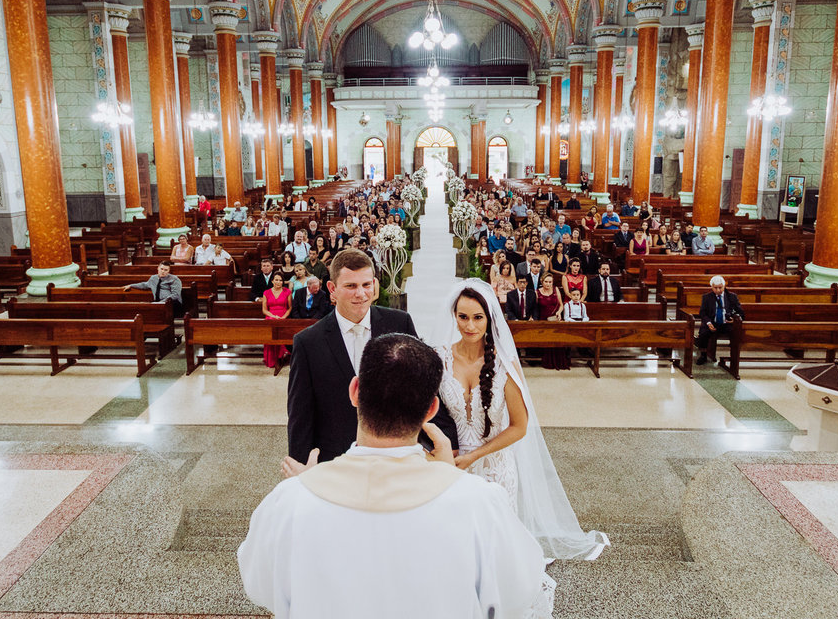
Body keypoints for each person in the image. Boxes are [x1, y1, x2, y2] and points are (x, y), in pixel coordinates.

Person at [239, 332, 547, 619]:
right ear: (431, 409)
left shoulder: (292, 501)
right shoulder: (478, 502)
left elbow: (259, 584)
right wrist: (447, 478)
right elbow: (520, 590)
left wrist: (307, 486)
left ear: (355, 391)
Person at [429, 280, 608, 562]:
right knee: (456, 545)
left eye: (478, 317)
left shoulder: (504, 364)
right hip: (449, 463)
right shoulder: (438, 358)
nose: (470, 326)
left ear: (489, 318)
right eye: (463, 317)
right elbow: (426, 413)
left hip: (495, 466)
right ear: (454, 316)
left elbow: (519, 427)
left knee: (493, 547)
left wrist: (474, 456)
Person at [285, 249, 459, 466]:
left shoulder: (399, 323)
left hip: (395, 455)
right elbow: (300, 414)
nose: (361, 293)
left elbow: (422, 386)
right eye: (351, 286)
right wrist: (299, 467)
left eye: (366, 285)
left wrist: (448, 439)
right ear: (332, 289)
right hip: (336, 460)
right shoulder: (308, 342)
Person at [696, 275, 744, 365]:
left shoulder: (732, 297)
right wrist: (708, 322)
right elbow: (702, 313)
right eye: (715, 288)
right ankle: (703, 355)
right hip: (712, 322)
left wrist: (734, 320)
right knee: (703, 333)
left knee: (736, 333)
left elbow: (741, 312)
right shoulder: (707, 297)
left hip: (727, 323)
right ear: (711, 287)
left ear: (724, 286)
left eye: (720, 287)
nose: (718, 290)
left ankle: (734, 356)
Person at [262, 273, 293, 368]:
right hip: (271, 316)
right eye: (276, 280)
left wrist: (284, 317)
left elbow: (290, 308)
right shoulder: (266, 292)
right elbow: (264, 310)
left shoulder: (287, 292)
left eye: (280, 280)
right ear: (272, 281)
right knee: (271, 324)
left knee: (281, 326)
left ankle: (282, 356)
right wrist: (272, 316)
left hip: (283, 316)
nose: (278, 282)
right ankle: (272, 358)